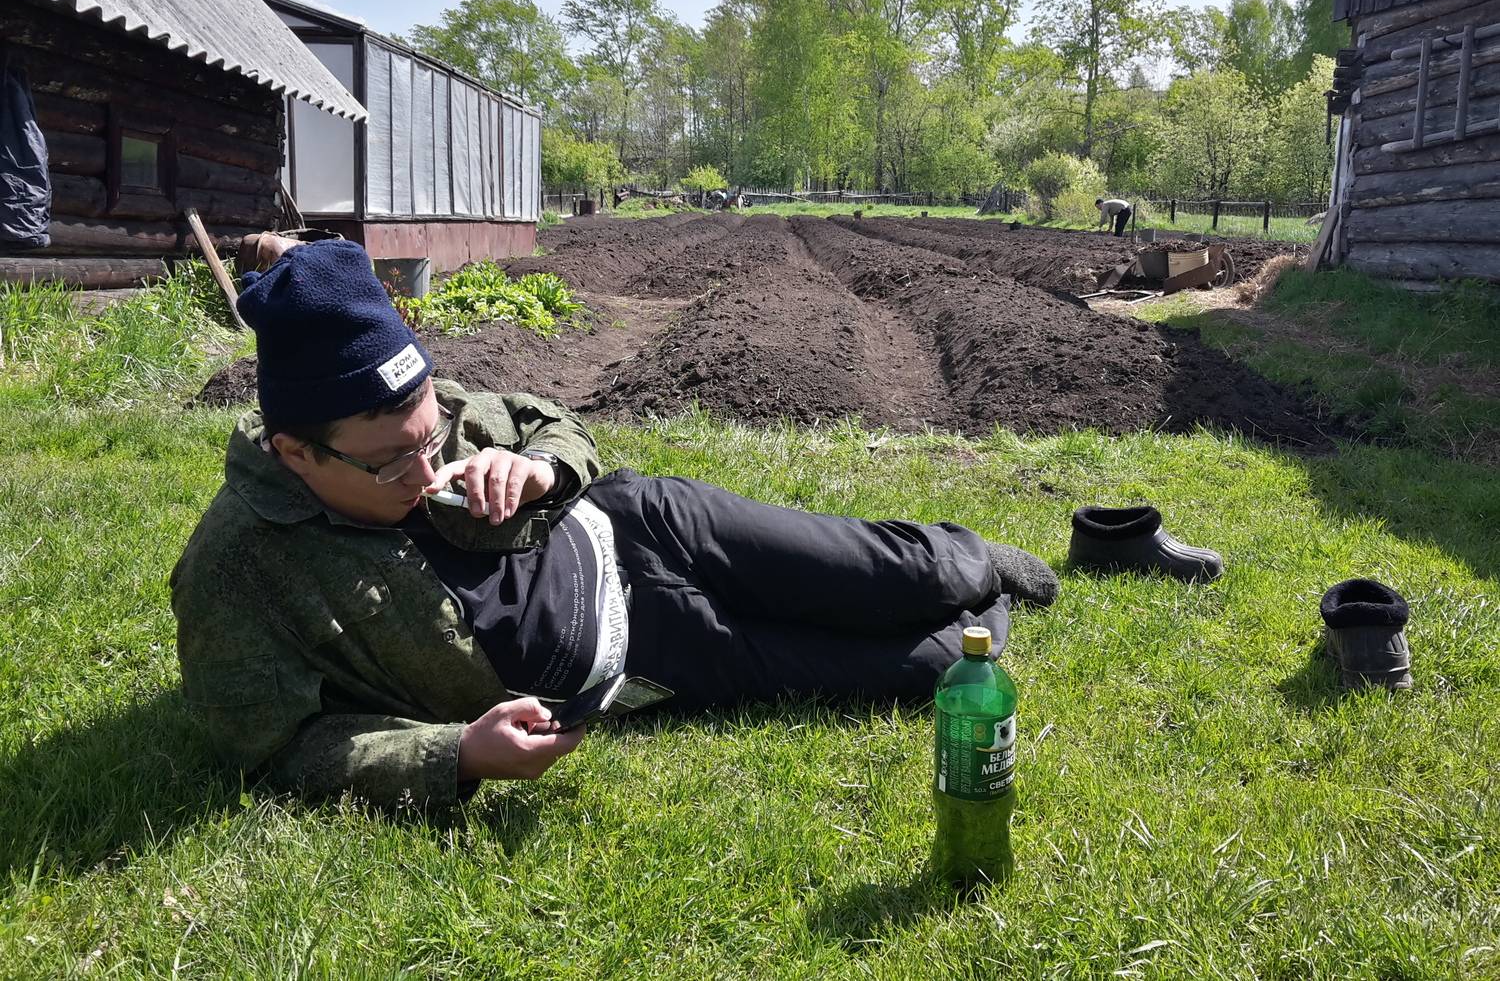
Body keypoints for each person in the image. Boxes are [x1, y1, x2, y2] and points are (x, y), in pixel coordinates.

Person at [170, 241, 1058, 807]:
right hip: (648, 653)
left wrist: (539, 467)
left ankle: (971, 560)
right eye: (392, 463)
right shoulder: (235, 573)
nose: (428, 468)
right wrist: (455, 755)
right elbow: (276, 751)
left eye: (432, 437)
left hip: (646, 525)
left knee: (917, 574)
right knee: (935, 667)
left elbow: (554, 421)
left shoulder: (417, 411)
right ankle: (975, 610)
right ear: (297, 452)